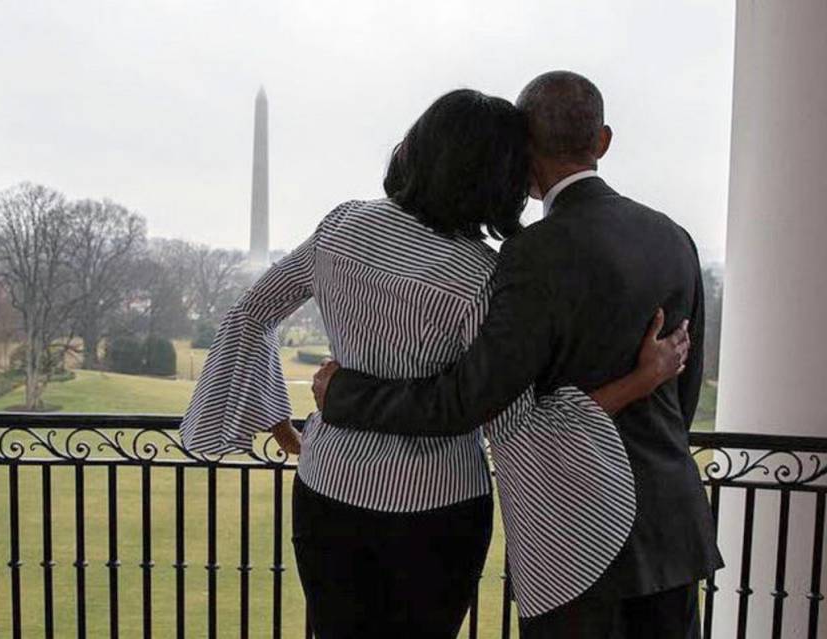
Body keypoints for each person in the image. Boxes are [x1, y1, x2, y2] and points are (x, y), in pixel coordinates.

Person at [180, 88, 688, 638]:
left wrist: (276, 418)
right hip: (439, 506)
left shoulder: (342, 225)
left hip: (326, 485)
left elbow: (251, 313)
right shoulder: (482, 277)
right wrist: (640, 381)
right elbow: (514, 422)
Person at [312, 71, 722, 638]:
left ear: (522, 147)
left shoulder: (530, 254)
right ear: (602, 142)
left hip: (573, 535)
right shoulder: (673, 237)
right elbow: (684, 385)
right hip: (673, 528)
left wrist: (344, 393)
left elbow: (467, 400)